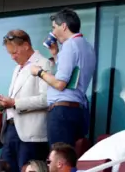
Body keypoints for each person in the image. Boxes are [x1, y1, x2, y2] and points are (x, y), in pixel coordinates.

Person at [31, 8, 96, 147]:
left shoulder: (70, 45)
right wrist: (56, 54)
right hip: (77, 109)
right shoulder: (87, 46)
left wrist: (39, 72)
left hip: (62, 111)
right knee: (68, 157)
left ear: (64, 26)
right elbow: (73, 74)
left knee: (59, 158)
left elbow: (60, 83)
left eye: (54, 27)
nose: (53, 32)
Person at [0, 29, 52, 172]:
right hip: (10, 129)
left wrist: (14, 103)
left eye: (15, 52)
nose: (12, 57)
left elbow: (47, 99)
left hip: (30, 133)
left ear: (26, 46)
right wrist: (3, 104)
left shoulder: (44, 64)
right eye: (10, 54)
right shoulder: (16, 69)